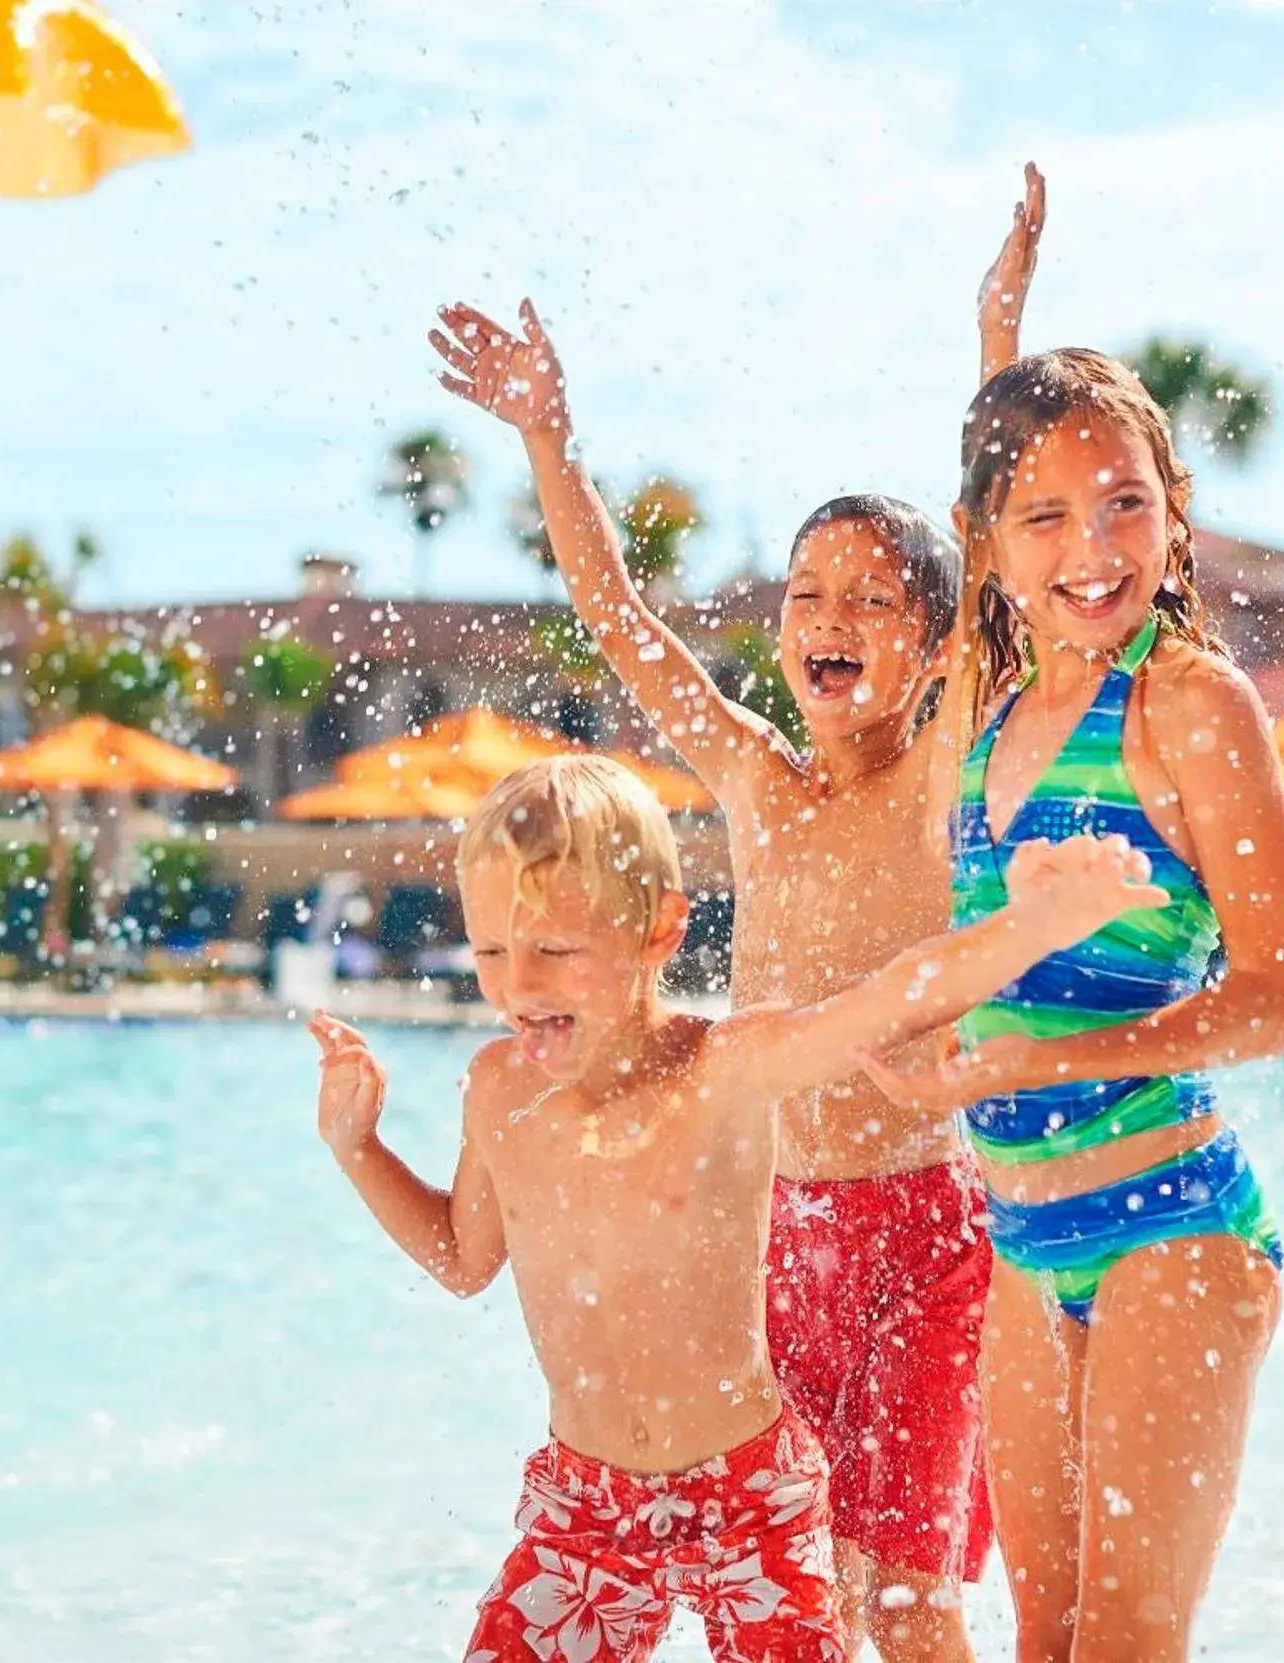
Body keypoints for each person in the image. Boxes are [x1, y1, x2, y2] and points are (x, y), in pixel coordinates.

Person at [424, 172, 1045, 1660]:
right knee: (790, 1591)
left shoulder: (947, 757)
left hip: (918, 1221)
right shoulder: (755, 782)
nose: (827, 619)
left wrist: (996, 336)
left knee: (902, 1593)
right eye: (805, 592)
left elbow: (1003, 559)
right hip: (763, 1230)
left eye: (869, 600)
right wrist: (545, 440)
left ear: (936, 641)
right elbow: (619, 620)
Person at [310, 756, 1163, 1663]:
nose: (519, 982)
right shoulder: (498, 1091)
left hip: (748, 1496)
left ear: (657, 929)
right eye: (489, 950)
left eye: (554, 949)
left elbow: (888, 999)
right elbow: (461, 1258)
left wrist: (1034, 924)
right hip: (584, 1508)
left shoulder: (724, 1069)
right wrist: (358, 1148)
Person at [853, 337, 1284, 1660]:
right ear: (985, 541)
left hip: (1172, 1227)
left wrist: (1022, 1071)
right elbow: (988, 979)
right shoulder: (988, 721)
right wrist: (936, 1041)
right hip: (1021, 1247)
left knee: (1121, 1644)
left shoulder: (1187, 704)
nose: (1092, 543)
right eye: (1043, 516)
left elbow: (1279, 998)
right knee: (1043, 1638)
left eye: (1124, 499)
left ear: (1171, 502)